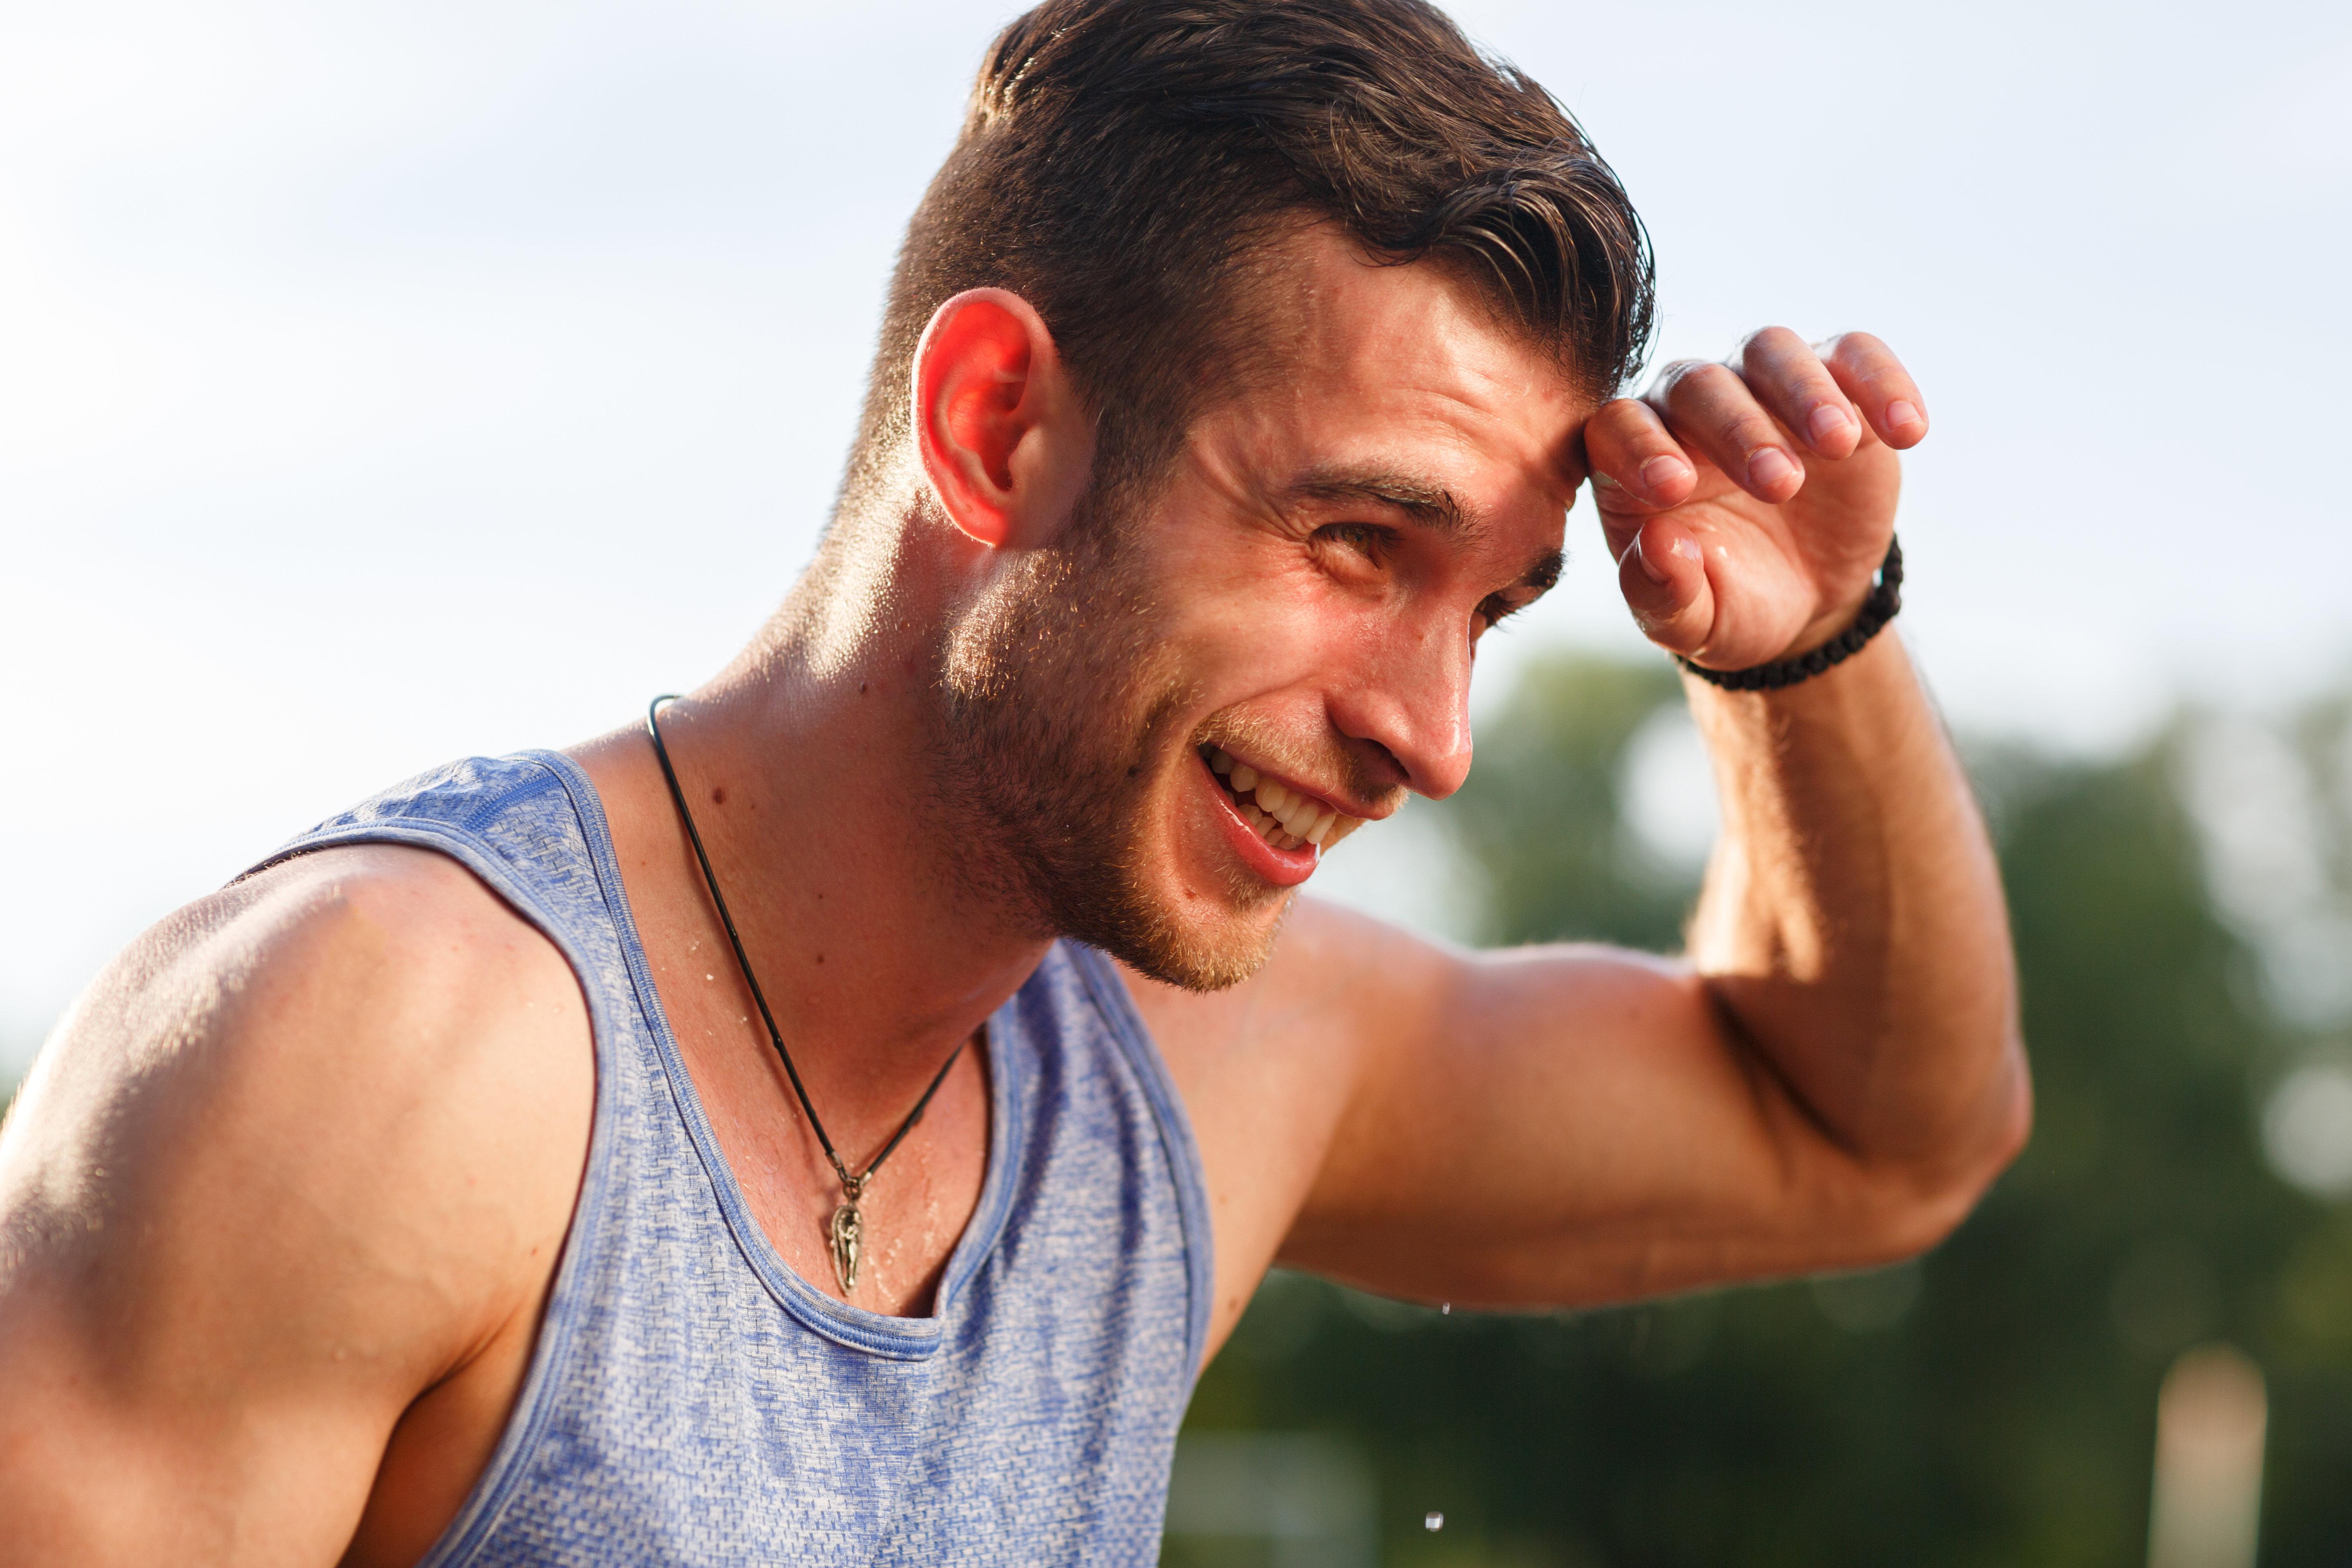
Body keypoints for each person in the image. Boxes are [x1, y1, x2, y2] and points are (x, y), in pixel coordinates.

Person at [0, 0, 2029, 1561]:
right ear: (993, 428)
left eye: (1489, 610)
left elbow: (1878, 1143)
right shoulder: (382, 1052)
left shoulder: (1200, 1073)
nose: (1434, 732)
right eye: (1354, 549)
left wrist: (1808, 657)